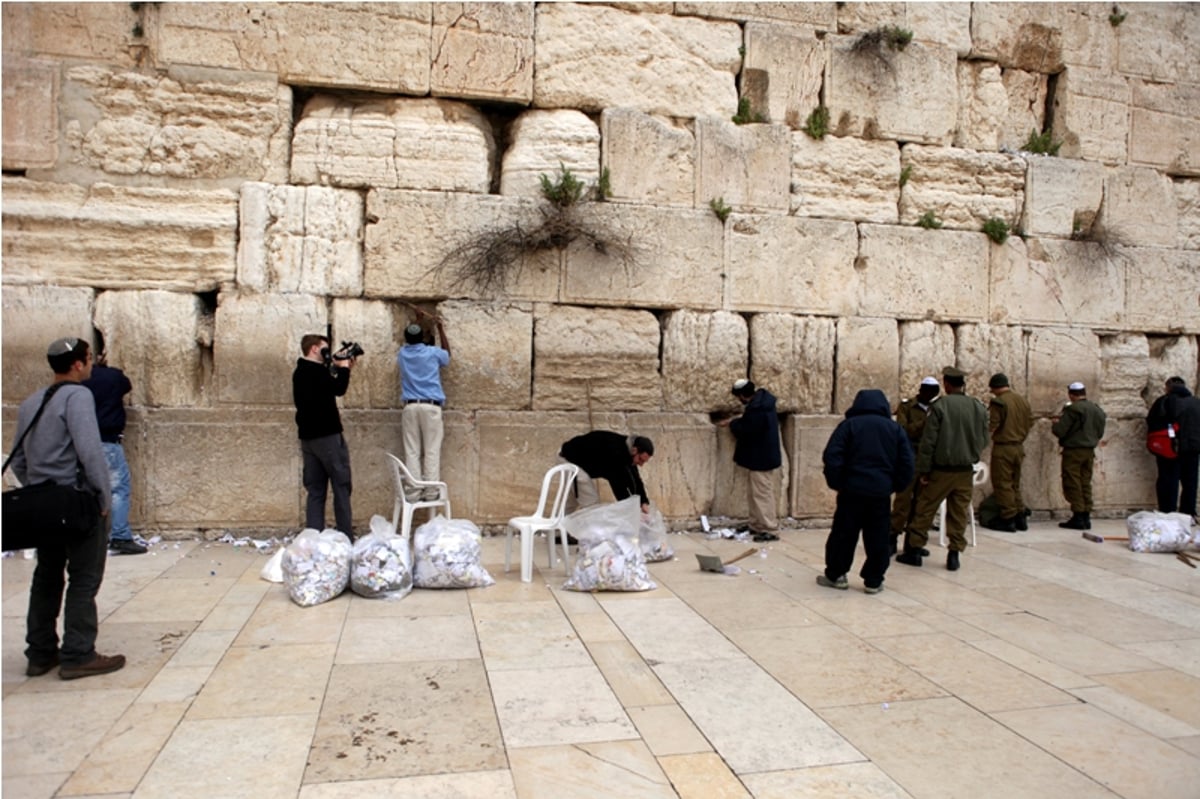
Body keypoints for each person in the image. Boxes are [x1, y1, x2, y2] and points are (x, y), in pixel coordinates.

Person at [9, 337, 125, 680]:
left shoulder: (32, 402)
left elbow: (17, 458)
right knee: (84, 578)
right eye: (89, 359)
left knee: (46, 576)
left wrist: (37, 485)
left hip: (43, 503)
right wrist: (103, 498)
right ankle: (78, 652)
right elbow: (91, 453)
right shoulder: (78, 396)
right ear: (78, 363)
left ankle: (40, 652)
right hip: (75, 503)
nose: (90, 365)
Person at [818, 389, 914, 594]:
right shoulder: (894, 429)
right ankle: (873, 580)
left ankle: (836, 575)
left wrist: (838, 483)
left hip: (851, 491)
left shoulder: (849, 426)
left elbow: (832, 457)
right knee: (878, 537)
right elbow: (907, 463)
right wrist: (894, 486)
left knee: (844, 535)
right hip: (880, 493)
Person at [897, 366, 989, 571]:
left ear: (946, 384)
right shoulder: (978, 406)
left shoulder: (940, 407)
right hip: (965, 470)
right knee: (958, 514)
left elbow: (929, 442)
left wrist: (924, 471)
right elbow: (984, 439)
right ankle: (954, 554)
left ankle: (914, 551)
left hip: (941, 471)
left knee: (924, 509)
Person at [81, 347, 145, 555]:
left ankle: (86, 535)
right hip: (107, 442)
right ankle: (120, 536)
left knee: (86, 489)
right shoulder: (112, 377)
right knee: (117, 489)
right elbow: (127, 385)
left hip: (81, 442)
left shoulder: (77, 383)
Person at [293, 333, 356, 536]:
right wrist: (344, 369)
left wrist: (336, 366)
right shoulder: (316, 372)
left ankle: (313, 536)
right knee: (341, 485)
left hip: (308, 438)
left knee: (316, 489)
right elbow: (339, 388)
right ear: (314, 349)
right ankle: (345, 535)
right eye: (324, 348)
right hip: (327, 436)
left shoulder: (300, 371)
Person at [716, 379, 782, 543]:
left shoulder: (758, 409)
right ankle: (756, 525)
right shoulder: (760, 404)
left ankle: (769, 528)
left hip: (762, 459)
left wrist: (732, 424)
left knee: (762, 494)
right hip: (760, 457)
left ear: (743, 395)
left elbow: (748, 429)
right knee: (755, 494)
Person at [397, 319, 450, 501]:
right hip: (431, 406)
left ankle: (412, 494)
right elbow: (447, 354)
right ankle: (431, 493)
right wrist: (441, 329)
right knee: (432, 451)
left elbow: (414, 339)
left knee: (412, 450)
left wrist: (417, 319)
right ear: (423, 338)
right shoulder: (433, 353)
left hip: (410, 406)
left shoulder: (403, 354)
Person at [889, 376, 940, 555]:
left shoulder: (938, 409)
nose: (929, 395)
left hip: (928, 460)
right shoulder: (907, 406)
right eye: (926, 390)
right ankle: (892, 536)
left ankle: (913, 542)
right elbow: (904, 431)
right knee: (903, 502)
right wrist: (926, 422)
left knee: (921, 504)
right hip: (910, 458)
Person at [1051, 382, 1107, 530]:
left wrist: (1055, 423)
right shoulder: (1096, 409)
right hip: (1089, 451)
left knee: (1072, 482)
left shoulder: (1073, 409)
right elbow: (1100, 432)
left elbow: (1060, 431)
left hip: (1074, 450)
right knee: (1085, 482)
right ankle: (1086, 516)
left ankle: (1078, 515)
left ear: (1071, 394)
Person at [559, 431, 654, 513]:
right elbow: (619, 485)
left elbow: (635, 479)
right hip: (569, 460)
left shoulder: (627, 452)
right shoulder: (616, 453)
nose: (641, 464)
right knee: (591, 503)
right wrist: (632, 510)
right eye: (641, 460)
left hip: (570, 459)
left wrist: (643, 502)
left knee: (571, 501)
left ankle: (556, 530)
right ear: (635, 450)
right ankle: (591, 534)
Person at [984, 373, 1033, 532]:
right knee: (1014, 483)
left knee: (1002, 483)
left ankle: (1008, 517)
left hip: (1003, 447)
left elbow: (993, 425)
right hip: (1019, 447)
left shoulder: (999, 402)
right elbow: (1029, 422)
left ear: (994, 388)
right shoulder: (1022, 400)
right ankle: (1020, 515)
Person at [1147, 376, 1200, 517]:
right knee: (1190, 483)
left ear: (1168, 387)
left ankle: (1168, 512)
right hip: (1193, 449)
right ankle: (1188, 513)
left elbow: (1152, 422)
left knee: (1168, 481)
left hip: (1170, 449)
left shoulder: (1164, 401)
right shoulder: (1196, 403)